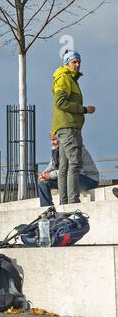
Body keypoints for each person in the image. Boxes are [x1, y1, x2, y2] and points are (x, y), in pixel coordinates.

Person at [52, 51, 98, 205]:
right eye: (74, 62)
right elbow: (60, 102)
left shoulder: (69, 78)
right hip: (69, 126)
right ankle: (73, 201)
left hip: (67, 126)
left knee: (64, 166)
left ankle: (64, 202)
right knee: (74, 163)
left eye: (79, 62)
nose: (77, 65)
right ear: (67, 63)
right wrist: (83, 109)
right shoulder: (64, 78)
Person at [37, 133, 100, 208]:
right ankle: (47, 208)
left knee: (67, 181)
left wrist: (50, 175)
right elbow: (51, 166)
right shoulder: (57, 150)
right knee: (42, 182)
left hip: (88, 179)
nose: (52, 142)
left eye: (54, 139)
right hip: (69, 177)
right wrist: (43, 175)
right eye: (51, 140)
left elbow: (68, 170)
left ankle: (68, 206)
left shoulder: (74, 149)